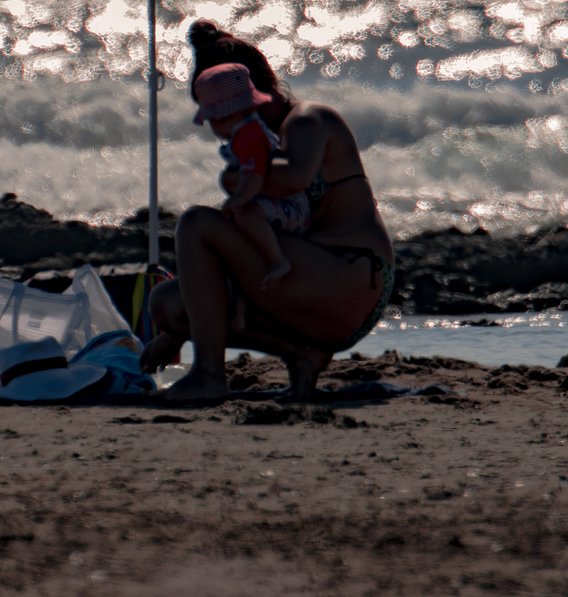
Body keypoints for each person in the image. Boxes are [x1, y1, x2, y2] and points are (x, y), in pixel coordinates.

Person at [143, 21, 396, 403]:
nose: (219, 128)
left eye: (220, 115)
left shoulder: (309, 119)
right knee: (170, 306)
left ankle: (209, 374)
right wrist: (178, 333)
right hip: (303, 285)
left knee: (196, 222)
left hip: (352, 276)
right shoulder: (258, 144)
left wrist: (236, 176)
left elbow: (294, 177)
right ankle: (300, 353)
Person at [189, 62, 312, 329]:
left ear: (224, 115)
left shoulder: (250, 136)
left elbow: (255, 177)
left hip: (291, 208)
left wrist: (239, 199)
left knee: (246, 215)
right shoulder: (243, 133)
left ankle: (278, 261)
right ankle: (240, 310)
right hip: (270, 203)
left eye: (212, 120)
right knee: (237, 238)